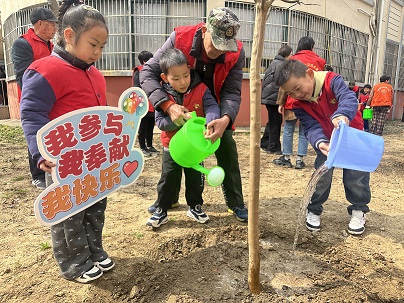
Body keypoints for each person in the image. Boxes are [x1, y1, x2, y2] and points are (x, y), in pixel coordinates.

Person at [20, 0, 113, 283]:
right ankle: (74, 263)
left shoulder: (95, 74)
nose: (97, 52)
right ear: (70, 35)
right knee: (68, 211)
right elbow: (32, 114)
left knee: (96, 204)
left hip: (94, 158)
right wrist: (39, 153)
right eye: (93, 44)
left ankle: (93, 250)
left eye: (102, 47)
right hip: (63, 161)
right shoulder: (44, 70)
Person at [140, 7, 248, 222]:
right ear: (205, 29)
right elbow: (147, 73)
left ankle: (235, 203)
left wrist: (225, 118)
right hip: (178, 104)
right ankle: (167, 200)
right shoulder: (179, 39)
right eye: (215, 44)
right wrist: (168, 106)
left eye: (224, 47)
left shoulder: (236, 53)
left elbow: (232, 91)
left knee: (226, 145)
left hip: (213, 109)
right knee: (171, 161)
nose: (219, 51)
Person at [274, 59, 370, 235]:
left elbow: (348, 98)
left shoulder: (332, 81)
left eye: (297, 88)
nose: (296, 95)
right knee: (321, 176)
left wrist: (342, 115)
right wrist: (320, 142)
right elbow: (310, 126)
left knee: (356, 176)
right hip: (327, 142)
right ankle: (314, 208)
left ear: (309, 75)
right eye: (290, 93)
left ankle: (359, 210)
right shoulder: (298, 104)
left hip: (352, 135)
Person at [146, 48, 220, 228]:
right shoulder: (163, 97)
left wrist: (210, 122)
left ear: (189, 69)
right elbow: (161, 123)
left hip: (195, 148)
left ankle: (195, 206)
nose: (182, 82)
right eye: (176, 78)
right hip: (171, 146)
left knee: (195, 177)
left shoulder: (201, 89)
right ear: (165, 78)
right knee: (168, 178)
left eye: (185, 76)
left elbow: (211, 107)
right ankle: (162, 209)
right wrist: (179, 122)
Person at [11, 7, 58, 190]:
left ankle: (52, 167)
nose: (54, 28)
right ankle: (37, 175)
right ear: (40, 24)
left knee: (52, 134)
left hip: (54, 98)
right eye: (51, 24)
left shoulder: (52, 46)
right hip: (35, 100)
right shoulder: (23, 44)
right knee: (36, 135)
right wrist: (37, 97)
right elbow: (23, 77)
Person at [274, 36, 326, 169]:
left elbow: (283, 85)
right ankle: (299, 159)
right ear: (312, 46)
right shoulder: (319, 61)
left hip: (292, 102)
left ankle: (286, 157)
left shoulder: (292, 60)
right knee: (305, 131)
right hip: (310, 102)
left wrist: (281, 102)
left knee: (288, 130)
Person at [260, 44, 292, 155]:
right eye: (291, 54)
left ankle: (264, 142)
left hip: (268, 95)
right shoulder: (283, 65)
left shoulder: (274, 62)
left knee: (273, 121)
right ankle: (273, 147)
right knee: (275, 122)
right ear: (287, 55)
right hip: (274, 97)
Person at [132, 50, 159, 157]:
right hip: (142, 103)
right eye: (150, 59)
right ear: (144, 61)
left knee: (151, 125)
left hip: (153, 102)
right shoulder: (138, 71)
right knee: (143, 126)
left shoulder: (153, 70)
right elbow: (137, 87)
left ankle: (150, 145)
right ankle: (142, 147)